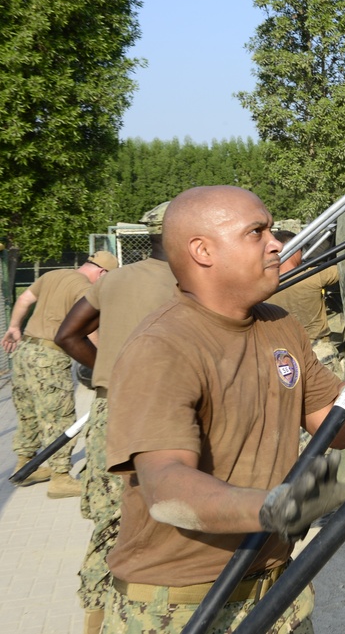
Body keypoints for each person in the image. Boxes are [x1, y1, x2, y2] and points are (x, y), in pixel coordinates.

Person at [100, 185, 345, 633]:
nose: (276, 243)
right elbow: (165, 487)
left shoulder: (279, 324)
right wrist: (275, 508)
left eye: (271, 230)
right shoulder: (163, 347)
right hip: (181, 606)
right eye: (256, 232)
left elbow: (334, 426)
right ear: (202, 251)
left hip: (277, 590)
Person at [54, 201, 176, 634]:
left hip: (109, 409)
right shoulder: (191, 283)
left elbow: (67, 334)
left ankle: (94, 615)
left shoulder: (117, 279)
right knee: (155, 519)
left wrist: (112, 370)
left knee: (109, 519)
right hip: (160, 415)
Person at [2, 250, 119, 498]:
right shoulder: (85, 289)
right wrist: (104, 362)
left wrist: (14, 327)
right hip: (49, 358)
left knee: (28, 410)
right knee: (59, 415)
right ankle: (60, 478)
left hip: (24, 351)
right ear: (102, 272)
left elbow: (24, 299)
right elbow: (88, 330)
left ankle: (25, 463)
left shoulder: (52, 274)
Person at [268, 230, 343, 379]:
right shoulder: (313, 275)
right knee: (336, 397)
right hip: (318, 351)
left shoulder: (263, 284)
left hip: (281, 354)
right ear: (296, 251)